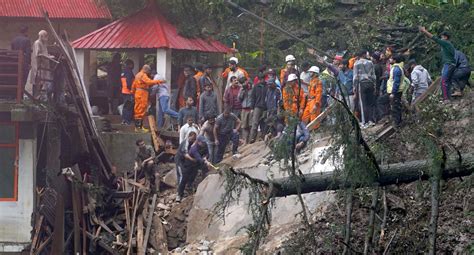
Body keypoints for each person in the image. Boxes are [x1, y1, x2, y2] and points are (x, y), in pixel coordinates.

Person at [419, 27, 456, 101]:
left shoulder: (445, 43)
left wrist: (424, 31)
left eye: (442, 37)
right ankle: (449, 97)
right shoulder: (449, 45)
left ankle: (446, 99)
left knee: (444, 81)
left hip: (448, 64)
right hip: (451, 64)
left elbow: (434, 38)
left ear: (445, 37)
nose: (441, 38)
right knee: (448, 81)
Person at [176, 135, 211, 202]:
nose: (204, 144)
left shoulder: (205, 145)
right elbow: (198, 158)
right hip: (189, 164)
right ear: (198, 142)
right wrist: (205, 161)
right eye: (202, 142)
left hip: (196, 164)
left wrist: (206, 157)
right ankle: (179, 194)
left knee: (193, 175)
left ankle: (190, 187)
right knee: (184, 178)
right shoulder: (194, 149)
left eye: (204, 142)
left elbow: (207, 153)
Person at [131, 65, 165, 132]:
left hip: (138, 93)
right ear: (146, 69)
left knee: (138, 109)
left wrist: (132, 92)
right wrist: (159, 81)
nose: (149, 73)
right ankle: (139, 128)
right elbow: (148, 82)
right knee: (141, 110)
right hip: (142, 93)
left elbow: (133, 85)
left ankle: (138, 127)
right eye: (149, 71)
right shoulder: (143, 75)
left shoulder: (137, 75)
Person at [25, 30, 55, 100]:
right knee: (37, 83)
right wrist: (48, 57)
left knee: (42, 83)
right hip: (38, 67)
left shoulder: (44, 43)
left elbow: (44, 53)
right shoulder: (37, 43)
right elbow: (38, 54)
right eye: (46, 36)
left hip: (43, 66)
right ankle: (35, 99)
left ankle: (38, 99)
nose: (47, 37)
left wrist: (48, 56)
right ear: (42, 36)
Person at [353, 50, 376, 127]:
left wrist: (354, 87)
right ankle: (371, 120)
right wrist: (374, 85)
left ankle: (364, 122)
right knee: (370, 103)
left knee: (363, 104)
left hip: (362, 84)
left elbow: (355, 77)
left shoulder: (356, 63)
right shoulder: (370, 62)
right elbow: (373, 75)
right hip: (370, 83)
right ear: (363, 54)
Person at [386, 54, 406, 127]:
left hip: (395, 91)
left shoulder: (396, 69)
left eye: (391, 59)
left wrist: (393, 93)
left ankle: (397, 123)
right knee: (396, 106)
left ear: (394, 60)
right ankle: (398, 122)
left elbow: (396, 82)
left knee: (395, 107)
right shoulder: (396, 68)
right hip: (396, 91)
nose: (389, 60)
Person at [249, 74, 268, 143]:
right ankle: (252, 138)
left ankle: (263, 137)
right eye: (260, 79)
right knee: (255, 123)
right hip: (257, 106)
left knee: (264, 122)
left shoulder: (267, 86)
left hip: (265, 107)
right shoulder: (256, 87)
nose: (262, 80)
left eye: (263, 79)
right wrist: (252, 108)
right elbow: (253, 97)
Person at [238, 76, 253, 144]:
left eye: (244, 82)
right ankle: (245, 141)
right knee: (244, 126)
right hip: (244, 109)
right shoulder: (241, 89)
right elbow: (239, 99)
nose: (244, 84)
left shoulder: (252, 88)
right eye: (242, 83)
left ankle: (251, 140)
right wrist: (243, 91)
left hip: (251, 109)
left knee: (250, 125)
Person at [120, 59, 135, 125]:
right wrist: (131, 90)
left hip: (124, 91)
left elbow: (120, 82)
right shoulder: (129, 71)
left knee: (125, 106)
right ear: (130, 65)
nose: (133, 66)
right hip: (128, 92)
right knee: (129, 107)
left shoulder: (123, 72)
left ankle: (124, 120)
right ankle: (127, 121)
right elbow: (129, 82)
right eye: (132, 64)